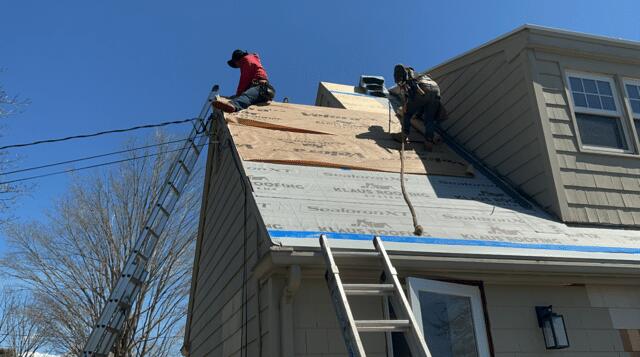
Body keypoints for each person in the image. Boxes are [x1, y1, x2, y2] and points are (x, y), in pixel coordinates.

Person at [391, 64, 446, 151]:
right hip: (436, 90)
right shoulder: (421, 75)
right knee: (429, 119)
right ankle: (429, 142)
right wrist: (418, 115)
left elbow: (409, 96)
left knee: (407, 112)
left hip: (422, 87)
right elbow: (422, 104)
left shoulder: (408, 74)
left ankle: (404, 135)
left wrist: (406, 107)